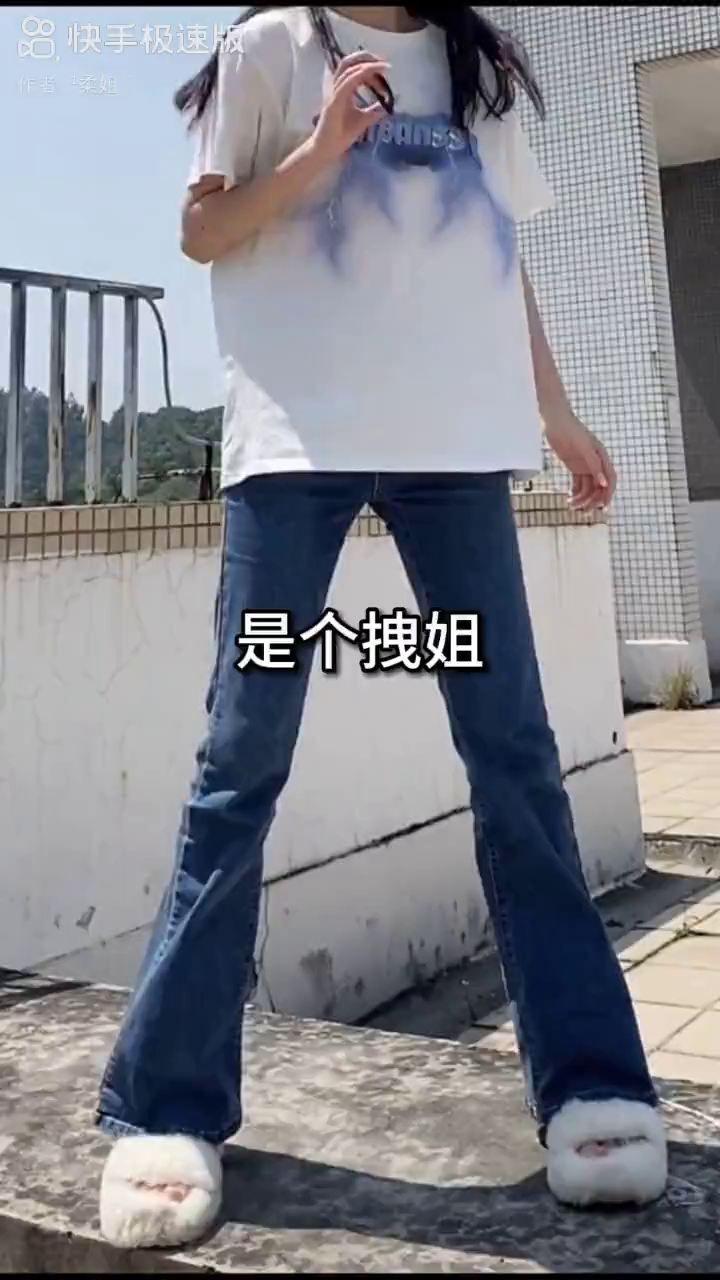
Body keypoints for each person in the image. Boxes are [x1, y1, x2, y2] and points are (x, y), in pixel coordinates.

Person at [97, 5, 666, 1250]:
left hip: (455, 454)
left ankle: (591, 1081)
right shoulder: (266, 51)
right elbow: (202, 230)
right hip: (295, 453)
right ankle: (169, 1099)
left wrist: (557, 412)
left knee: (515, 755)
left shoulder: (477, 67)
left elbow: (496, 258)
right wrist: (318, 155)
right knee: (242, 759)